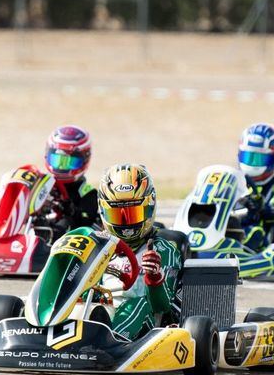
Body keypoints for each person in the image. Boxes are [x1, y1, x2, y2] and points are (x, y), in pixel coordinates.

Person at [98, 164, 182, 340]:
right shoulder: (99, 246)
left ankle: (110, 340)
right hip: (100, 313)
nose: (126, 223)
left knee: (137, 303)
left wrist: (154, 277)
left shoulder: (163, 249)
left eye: (132, 214)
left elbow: (163, 307)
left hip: (149, 325)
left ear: (149, 207)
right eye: (117, 215)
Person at [235, 123, 274, 253]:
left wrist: (259, 205)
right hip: (231, 225)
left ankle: (241, 253)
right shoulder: (234, 181)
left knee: (255, 231)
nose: (253, 163)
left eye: (259, 158)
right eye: (249, 157)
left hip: (263, 237)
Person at [34, 125, 99, 238]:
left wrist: (70, 211)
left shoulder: (89, 194)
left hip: (64, 245)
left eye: (70, 162)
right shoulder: (41, 186)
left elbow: (85, 224)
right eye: (57, 160)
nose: (61, 167)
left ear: (85, 159)